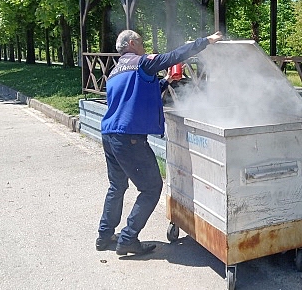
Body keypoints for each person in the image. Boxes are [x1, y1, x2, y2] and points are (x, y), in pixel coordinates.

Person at [95, 29, 223, 255]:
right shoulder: (140, 63)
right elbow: (173, 56)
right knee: (152, 187)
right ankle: (128, 239)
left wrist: (166, 80)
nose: (143, 47)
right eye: (141, 43)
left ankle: (104, 236)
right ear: (132, 43)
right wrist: (206, 41)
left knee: (117, 186)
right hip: (129, 138)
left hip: (110, 135)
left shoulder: (116, 71)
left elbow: (138, 95)